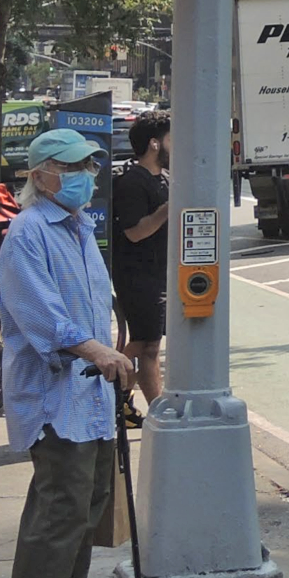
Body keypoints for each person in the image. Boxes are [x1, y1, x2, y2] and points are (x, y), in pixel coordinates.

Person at [0, 129, 137, 578]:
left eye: (90, 167)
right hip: (55, 395)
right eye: (72, 167)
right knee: (60, 507)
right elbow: (42, 315)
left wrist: (109, 352)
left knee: (87, 505)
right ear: (41, 176)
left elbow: (94, 304)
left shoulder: (78, 227)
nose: (86, 177)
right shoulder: (28, 233)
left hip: (90, 394)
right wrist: (96, 350)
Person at [112, 111, 171, 405]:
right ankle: (106, 385)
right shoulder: (133, 183)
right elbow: (135, 232)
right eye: (171, 139)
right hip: (137, 276)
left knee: (150, 345)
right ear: (154, 144)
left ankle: (119, 398)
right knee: (146, 346)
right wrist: (169, 208)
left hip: (159, 274)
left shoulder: (165, 179)